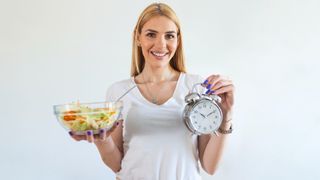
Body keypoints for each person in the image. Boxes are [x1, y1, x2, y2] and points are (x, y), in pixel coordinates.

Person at [69, 3, 234, 180]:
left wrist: (226, 115)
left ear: (178, 40)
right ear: (138, 37)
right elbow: (118, 165)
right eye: (151, 34)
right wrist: (101, 140)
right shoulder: (119, 91)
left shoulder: (197, 87)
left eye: (169, 36)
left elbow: (210, 167)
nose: (161, 44)